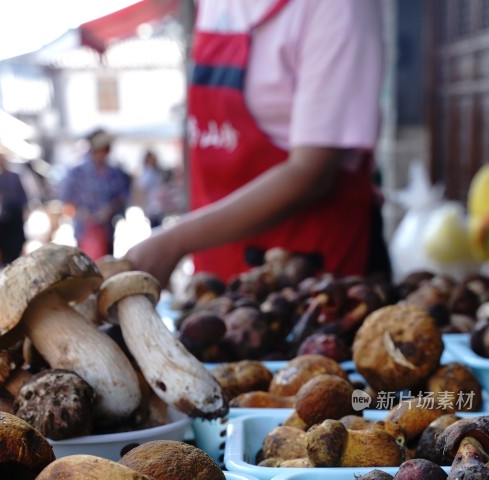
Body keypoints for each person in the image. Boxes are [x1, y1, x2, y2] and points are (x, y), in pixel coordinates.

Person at [125, 0, 390, 289]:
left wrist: (174, 240)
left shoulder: (338, 7)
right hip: (218, 267)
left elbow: (312, 172)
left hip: (310, 275)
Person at [58, 129, 131, 260]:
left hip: (107, 230)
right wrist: (83, 214)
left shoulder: (115, 173)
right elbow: (66, 199)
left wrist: (109, 210)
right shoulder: (76, 173)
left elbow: (122, 197)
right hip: (83, 231)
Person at [0, 153, 29, 268]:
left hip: (16, 211)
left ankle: (14, 259)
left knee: (16, 238)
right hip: (4, 213)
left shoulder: (15, 176)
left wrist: (25, 208)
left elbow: (23, 194)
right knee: (2, 238)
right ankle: (5, 259)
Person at [134, 150, 165, 229]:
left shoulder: (155, 172)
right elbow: (141, 191)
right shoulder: (147, 174)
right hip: (151, 208)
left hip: (157, 207)